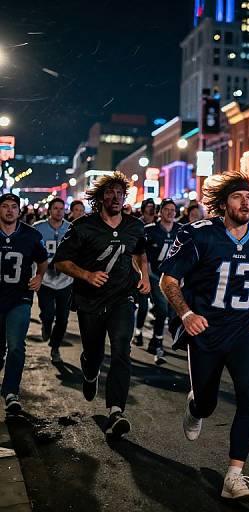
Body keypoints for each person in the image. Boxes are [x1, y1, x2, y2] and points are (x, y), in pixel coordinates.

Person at [160, 171, 249, 501]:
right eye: (238, 197)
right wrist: (187, 314)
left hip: (244, 328)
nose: (246, 203)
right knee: (207, 402)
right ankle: (195, 406)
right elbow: (168, 281)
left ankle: (234, 476)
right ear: (222, 203)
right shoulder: (198, 235)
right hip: (205, 329)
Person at [54, 172, 150, 437]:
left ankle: (116, 411)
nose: (116, 197)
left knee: (121, 350)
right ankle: (90, 371)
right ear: (99, 198)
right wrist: (87, 275)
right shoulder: (83, 226)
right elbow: (60, 261)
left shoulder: (135, 226)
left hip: (122, 297)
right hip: (90, 300)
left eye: (120, 192)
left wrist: (144, 276)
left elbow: (141, 252)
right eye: (110, 192)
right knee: (94, 352)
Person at [0, 193, 48, 413]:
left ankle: (11, 391)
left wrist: (39, 276)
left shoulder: (30, 235)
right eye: (5, 206)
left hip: (20, 298)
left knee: (16, 345)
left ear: (19, 211)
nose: (9, 210)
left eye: (13, 207)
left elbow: (42, 259)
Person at [33, 198, 73, 363]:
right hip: (46, 279)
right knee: (48, 313)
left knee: (63, 318)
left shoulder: (71, 229)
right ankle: (46, 324)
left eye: (61, 208)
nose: (58, 211)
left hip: (65, 280)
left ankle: (55, 347)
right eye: (55, 208)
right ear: (49, 210)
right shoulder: (38, 228)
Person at [142, 198, 181, 364]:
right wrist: (148, 277)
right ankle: (158, 343)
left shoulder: (180, 230)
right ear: (160, 211)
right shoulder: (150, 230)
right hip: (156, 276)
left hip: (173, 278)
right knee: (163, 309)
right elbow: (143, 257)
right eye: (167, 209)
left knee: (173, 314)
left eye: (173, 209)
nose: (170, 212)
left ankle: (155, 341)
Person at [132, 198, 156, 347]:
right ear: (143, 209)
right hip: (140, 270)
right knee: (142, 305)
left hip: (157, 272)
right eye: (148, 207)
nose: (151, 209)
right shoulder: (137, 225)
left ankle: (156, 338)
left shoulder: (158, 225)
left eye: (153, 207)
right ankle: (138, 332)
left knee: (161, 307)